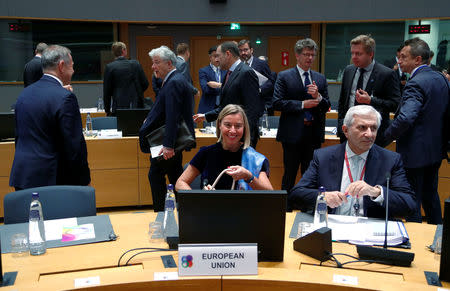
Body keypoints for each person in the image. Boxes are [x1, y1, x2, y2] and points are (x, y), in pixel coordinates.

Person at [289, 105, 415, 219]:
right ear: (345, 130)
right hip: (332, 228)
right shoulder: (323, 157)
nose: (369, 134)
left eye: (373, 128)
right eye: (362, 127)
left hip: (370, 233)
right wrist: (323, 198)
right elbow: (296, 195)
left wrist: (376, 192)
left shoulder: (390, 160)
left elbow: (409, 205)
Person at [384, 37, 450, 224]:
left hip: (414, 154)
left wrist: (384, 138)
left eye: (404, 57)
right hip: (435, 151)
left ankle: (412, 241)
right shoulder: (441, 79)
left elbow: (406, 118)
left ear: (418, 60)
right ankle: (438, 237)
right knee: (431, 196)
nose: (399, 61)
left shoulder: (415, 83)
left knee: (411, 199)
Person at [10, 45, 91, 190]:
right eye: (72, 66)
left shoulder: (24, 95)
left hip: (23, 176)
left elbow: (19, 137)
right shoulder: (65, 98)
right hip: (53, 180)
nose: (73, 71)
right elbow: (74, 147)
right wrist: (84, 180)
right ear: (61, 66)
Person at [139, 46, 195, 212]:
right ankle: (184, 212)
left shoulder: (174, 82)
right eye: (152, 63)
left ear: (169, 63)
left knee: (155, 176)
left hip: (167, 143)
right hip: (168, 141)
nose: (152, 66)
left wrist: (168, 145)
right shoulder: (173, 80)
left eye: (156, 62)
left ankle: (162, 212)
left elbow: (173, 116)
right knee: (175, 175)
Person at [273, 38, 330, 193]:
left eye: (312, 55)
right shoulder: (284, 76)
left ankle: (307, 204)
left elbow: (326, 106)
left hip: (313, 134)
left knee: (310, 175)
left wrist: (318, 97)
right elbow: (277, 103)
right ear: (297, 56)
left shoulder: (320, 78)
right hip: (292, 134)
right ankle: (286, 207)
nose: (310, 58)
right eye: (306, 54)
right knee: (290, 173)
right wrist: (302, 105)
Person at [176, 104, 272, 191]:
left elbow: (270, 194)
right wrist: (201, 197)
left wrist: (249, 177)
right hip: (211, 209)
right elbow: (180, 183)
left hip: (243, 209)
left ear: (244, 128)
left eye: (238, 126)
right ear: (219, 125)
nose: (232, 131)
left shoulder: (254, 159)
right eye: (228, 125)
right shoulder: (206, 153)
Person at [193, 41, 261, 148]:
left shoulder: (246, 72)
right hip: (231, 136)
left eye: (218, 56)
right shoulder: (229, 73)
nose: (217, 60)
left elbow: (252, 109)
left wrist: (247, 138)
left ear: (228, 54)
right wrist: (206, 116)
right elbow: (226, 105)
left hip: (242, 138)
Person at [338, 35, 400, 147]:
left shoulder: (386, 74)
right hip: (349, 134)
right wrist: (341, 126)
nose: (354, 57)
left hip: (373, 136)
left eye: (358, 54)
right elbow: (343, 101)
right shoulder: (349, 70)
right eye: (352, 53)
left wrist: (371, 100)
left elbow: (395, 105)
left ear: (370, 54)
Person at [103, 41, 149, 116]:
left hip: (118, 106)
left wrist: (107, 110)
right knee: (136, 126)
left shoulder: (110, 67)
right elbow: (145, 84)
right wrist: (137, 93)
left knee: (121, 127)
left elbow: (107, 92)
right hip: (136, 105)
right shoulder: (135, 64)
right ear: (124, 51)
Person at [238, 39, 275, 115]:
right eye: (241, 51)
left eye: (245, 50)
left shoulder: (261, 63)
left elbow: (271, 81)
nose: (243, 53)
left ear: (251, 50)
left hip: (260, 103)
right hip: (244, 105)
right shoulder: (239, 66)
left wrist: (260, 90)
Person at [197, 45, 226, 114]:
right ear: (210, 57)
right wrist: (223, 87)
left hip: (223, 108)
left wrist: (218, 85)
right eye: (215, 56)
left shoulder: (226, 70)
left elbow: (231, 88)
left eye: (219, 56)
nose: (217, 59)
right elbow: (205, 89)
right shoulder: (203, 71)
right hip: (208, 107)